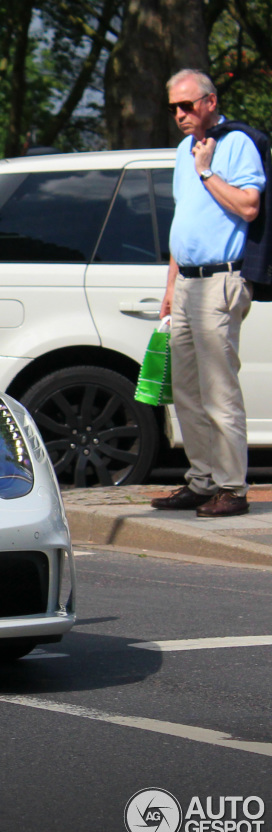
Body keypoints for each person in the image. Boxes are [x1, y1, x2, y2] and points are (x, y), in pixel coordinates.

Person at [151, 69, 266, 518]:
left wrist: (206, 171)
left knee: (219, 388)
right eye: (173, 107)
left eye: (187, 105)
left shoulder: (237, 143)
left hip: (221, 280)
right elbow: (185, 221)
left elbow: (249, 207)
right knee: (186, 390)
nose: (179, 115)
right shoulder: (182, 149)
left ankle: (233, 488)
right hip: (187, 284)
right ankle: (201, 481)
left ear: (211, 101)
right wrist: (169, 286)